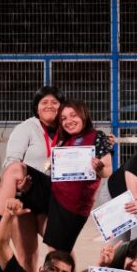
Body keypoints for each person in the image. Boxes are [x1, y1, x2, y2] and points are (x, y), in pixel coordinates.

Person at [0, 86, 65, 272]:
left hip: (55, 196)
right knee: (27, 256)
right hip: (28, 192)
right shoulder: (26, 128)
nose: (50, 106)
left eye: (55, 102)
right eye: (44, 102)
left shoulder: (68, 127)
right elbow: (10, 161)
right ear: (36, 108)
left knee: (61, 252)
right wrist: (19, 184)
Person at [40, 100, 111, 253]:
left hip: (74, 205)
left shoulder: (97, 136)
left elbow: (108, 170)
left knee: (59, 251)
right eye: (63, 118)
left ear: (84, 116)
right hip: (55, 197)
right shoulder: (64, 141)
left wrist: (99, 168)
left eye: (73, 115)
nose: (68, 121)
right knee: (19, 172)